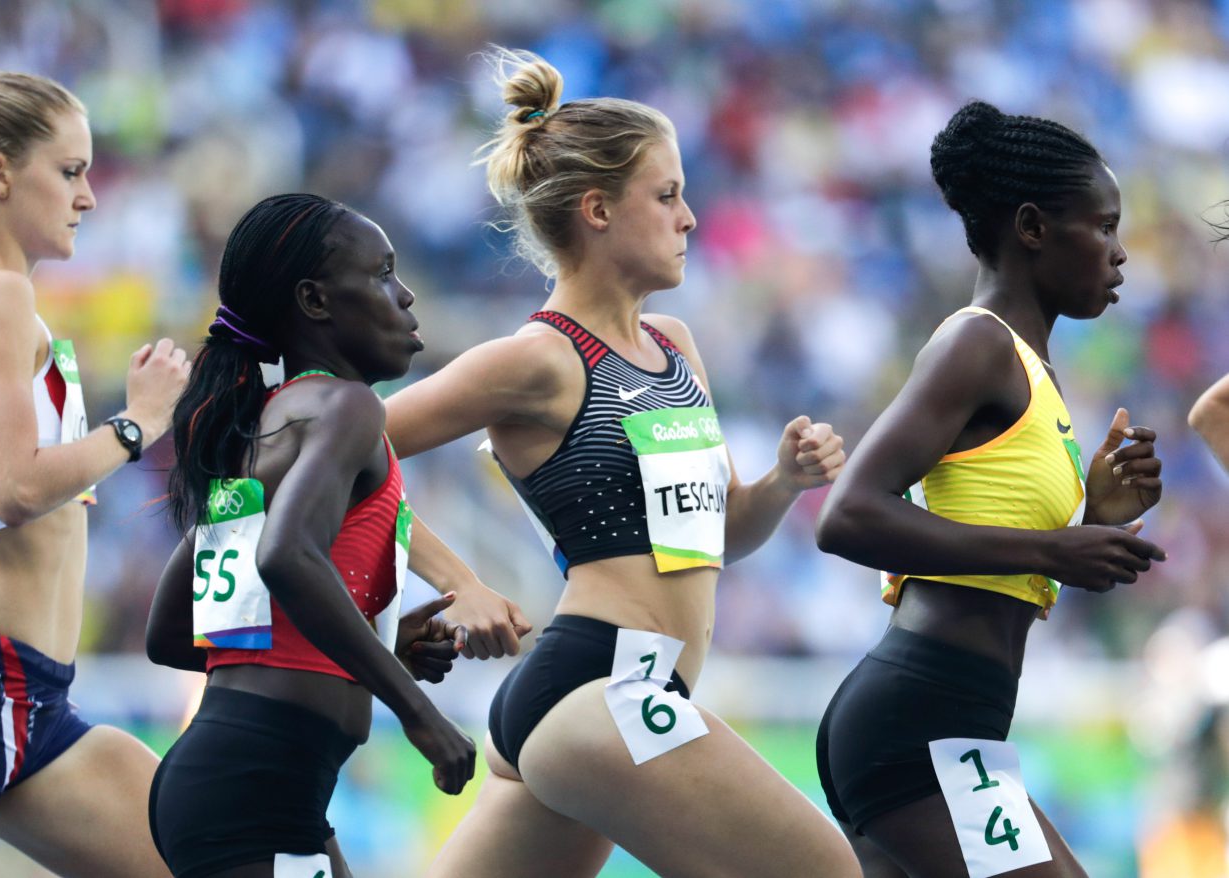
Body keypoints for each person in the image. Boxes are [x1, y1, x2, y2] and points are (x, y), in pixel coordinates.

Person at [383, 49, 859, 878]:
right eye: (668, 195)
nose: (691, 219)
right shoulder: (538, 359)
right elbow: (335, 450)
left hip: (635, 694)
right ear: (598, 210)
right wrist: (455, 578)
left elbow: (714, 539)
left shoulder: (674, 348)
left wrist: (782, 484)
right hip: (595, 689)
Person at [813, 100, 1167, 877]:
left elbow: (986, 547)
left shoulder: (1031, 372)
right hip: (919, 721)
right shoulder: (977, 343)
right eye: (1103, 226)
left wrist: (1091, 515)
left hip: (947, 718)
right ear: (1033, 228)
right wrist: (1054, 546)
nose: (1119, 253)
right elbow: (848, 516)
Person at [0, 73, 189, 877]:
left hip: (32, 694)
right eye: (70, 171)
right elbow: (19, 491)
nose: (89, 196)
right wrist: (137, 424)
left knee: (201, 861)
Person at [145, 193, 478, 878]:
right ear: (315, 301)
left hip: (245, 783)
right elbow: (287, 556)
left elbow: (175, 631)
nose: (407, 295)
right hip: (254, 788)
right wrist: (416, 711)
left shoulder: (272, 423)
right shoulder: (347, 407)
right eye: (383, 274)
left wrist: (361, 655)